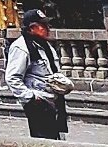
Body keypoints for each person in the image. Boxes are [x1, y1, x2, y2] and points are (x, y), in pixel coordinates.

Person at [6, 7, 71, 139]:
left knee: (59, 140)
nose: (47, 28)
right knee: (45, 143)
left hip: (55, 100)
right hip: (39, 103)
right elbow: (12, 77)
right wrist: (30, 97)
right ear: (32, 28)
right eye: (43, 25)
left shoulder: (45, 45)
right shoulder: (21, 47)